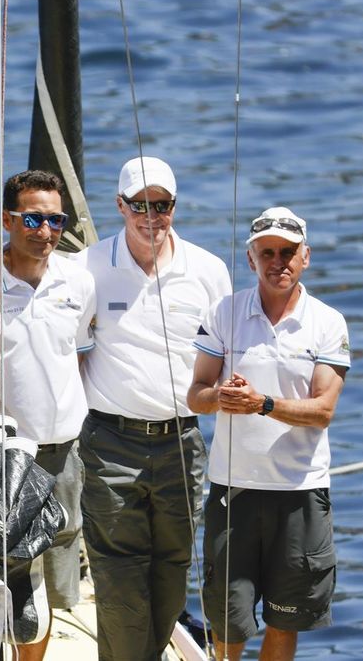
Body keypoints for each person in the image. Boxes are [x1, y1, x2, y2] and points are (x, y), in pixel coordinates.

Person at [71, 156, 231, 660]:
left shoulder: (207, 271)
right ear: (120, 205)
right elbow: (71, 354)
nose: (151, 216)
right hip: (110, 442)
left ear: (174, 207)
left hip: (183, 442)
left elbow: (225, 358)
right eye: (139, 205)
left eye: (161, 205)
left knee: (172, 571)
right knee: (118, 581)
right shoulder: (89, 266)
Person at [187, 207, 349, 661]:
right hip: (233, 492)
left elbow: (323, 411)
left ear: (306, 257)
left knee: (285, 620)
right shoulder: (224, 311)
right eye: (268, 253)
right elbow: (195, 396)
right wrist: (222, 396)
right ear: (250, 258)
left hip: (301, 493)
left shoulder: (328, 322)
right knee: (228, 622)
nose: (279, 261)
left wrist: (263, 404)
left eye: (288, 252)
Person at [0, 170, 96, 660]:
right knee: (8, 574)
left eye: (55, 220)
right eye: (33, 219)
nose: (46, 231)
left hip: (63, 453)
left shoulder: (77, 280)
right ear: (7, 219)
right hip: (4, 457)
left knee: (53, 578)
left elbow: (79, 351)